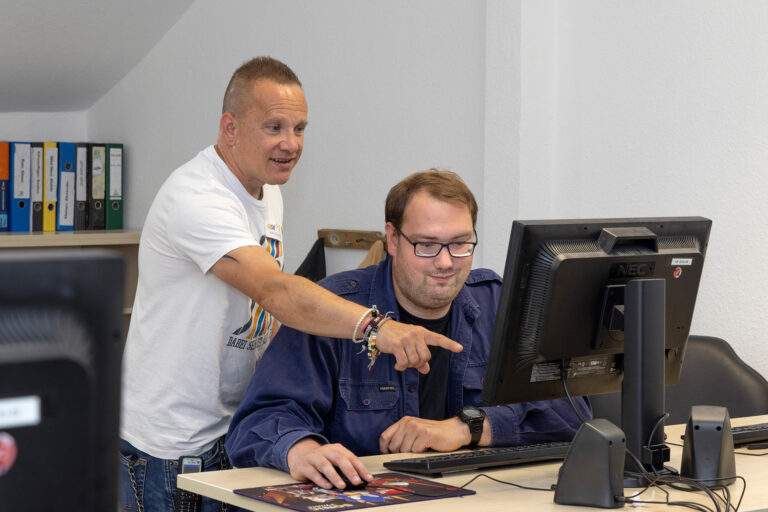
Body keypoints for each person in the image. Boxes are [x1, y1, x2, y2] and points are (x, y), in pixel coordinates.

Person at [118, 57, 462, 512]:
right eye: (274, 127)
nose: (291, 144)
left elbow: (264, 315)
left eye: (300, 129)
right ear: (230, 127)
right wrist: (378, 328)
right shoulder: (196, 198)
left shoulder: (267, 189)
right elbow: (275, 292)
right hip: (174, 449)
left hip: (235, 429)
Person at [225, 169, 591, 490]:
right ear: (393, 240)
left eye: (461, 244)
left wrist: (469, 427)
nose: (446, 262)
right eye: (427, 245)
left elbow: (574, 417)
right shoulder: (331, 310)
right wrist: (301, 450)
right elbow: (259, 421)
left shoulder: (498, 304)